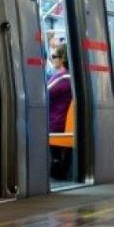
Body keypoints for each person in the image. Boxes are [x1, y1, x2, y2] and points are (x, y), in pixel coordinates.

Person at [47, 46, 73, 179]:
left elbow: (44, 94)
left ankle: (55, 164)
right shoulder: (69, 78)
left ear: (62, 59)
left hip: (55, 123)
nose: (51, 60)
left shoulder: (62, 78)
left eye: (53, 56)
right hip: (59, 121)